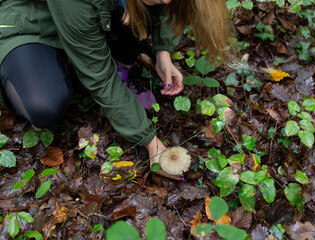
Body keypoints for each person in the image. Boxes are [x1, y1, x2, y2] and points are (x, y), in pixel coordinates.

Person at [0, 0, 238, 180]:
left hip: (98, 12)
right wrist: (151, 142)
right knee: (44, 105)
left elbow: (166, 10)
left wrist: (162, 52)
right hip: (33, 20)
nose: (167, 1)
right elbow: (101, 78)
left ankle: (110, 66)